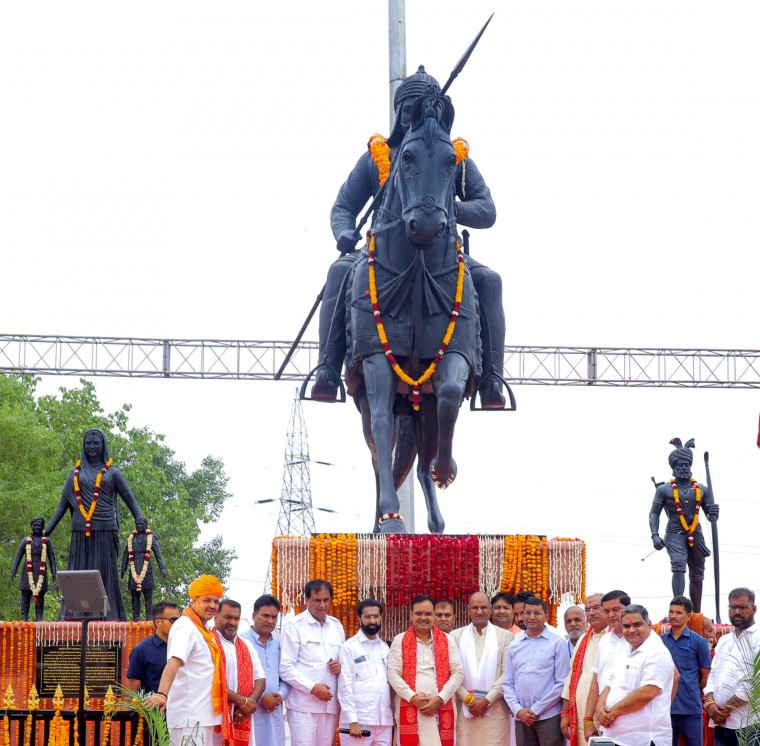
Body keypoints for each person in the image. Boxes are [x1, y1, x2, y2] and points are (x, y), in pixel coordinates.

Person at [311, 64, 507, 410]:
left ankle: (492, 377)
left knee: (489, 281)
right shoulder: (376, 158)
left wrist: (448, 207)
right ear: (399, 110)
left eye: (424, 107)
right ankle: (327, 369)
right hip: (381, 253)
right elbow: (343, 207)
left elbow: (487, 209)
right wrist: (343, 232)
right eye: (408, 107)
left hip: (443, 250)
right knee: (338, 271)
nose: (413, 114)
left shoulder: (453, 157)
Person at [45, 428, 143, 621]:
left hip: (106, 528)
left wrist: (140, 520)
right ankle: (75, 613)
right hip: (80, 530)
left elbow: (130, 499)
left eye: (96, 443)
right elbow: (62, 505)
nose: (92, 447)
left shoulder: (112, 472)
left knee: (104, 573)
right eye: (88, 443)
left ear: (103, 445)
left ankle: (108, 615)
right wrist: (47, 530)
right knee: (79, 573)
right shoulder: (74, 473)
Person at [145, 574, 227, 746]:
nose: (212, 605)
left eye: (216, 601)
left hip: (203, 715)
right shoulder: (185, 626)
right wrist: (162, 694)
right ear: (194, 600)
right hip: (189, 717)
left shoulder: (204, 630)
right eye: (207, 600)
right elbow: (174, 662)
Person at [649, 437, 719, 612]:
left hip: (696, 533)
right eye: (679, 465)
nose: (683, 468)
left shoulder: (702, 489)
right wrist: (655, 535)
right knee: (678, 565)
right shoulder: (664, 489)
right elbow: (654, 513)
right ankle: (678, 609)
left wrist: (714, 512)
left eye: (686, 465)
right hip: (674, 532)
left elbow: (710, 516)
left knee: (697, 574)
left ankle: (696, 613)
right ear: (673, 468)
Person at [388, 594, 464, 746]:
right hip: (411, 705)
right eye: (418, 613)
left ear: (434, 615)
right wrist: (413, 697)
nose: (423, 618)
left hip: (440, 707)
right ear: (411, 615)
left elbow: (458, 672)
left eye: (428, 614)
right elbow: (393, 674)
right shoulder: (400, 640)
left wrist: (440, 698)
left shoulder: (447, 640)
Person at [596, 604, 676, 746]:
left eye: (637, 625)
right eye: (626, 626)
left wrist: (611, 713)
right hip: (617, 738)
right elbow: (610, 683)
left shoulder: (656, 652)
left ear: (649, 625)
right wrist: (600, 707)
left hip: (645, 739)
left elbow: (647, 692)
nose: (631, 630)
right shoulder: (624, 650)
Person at [279, 579, 345, 746]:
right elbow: (285, 668)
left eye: (326, 600)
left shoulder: (336, 626)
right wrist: (313, 688)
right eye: (317, 600)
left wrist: (340, 666)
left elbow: (344, 661)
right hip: (303, 706)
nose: (322, 605)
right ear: (307, 599)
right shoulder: (295, 626)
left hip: (329, 706)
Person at [503, 596, 570, 746]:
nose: (531, 617)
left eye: (537, 613)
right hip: (522, 717)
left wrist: (535, 710)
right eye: (527, 613)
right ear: (522, 615)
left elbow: (562, 683)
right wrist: (518, 709)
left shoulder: (557, 643)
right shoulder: (515, 645)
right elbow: (507, 683)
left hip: (548, 716)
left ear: (546, 616)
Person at [451, 592, 513, 745]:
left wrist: (486, 701)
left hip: (496, 710)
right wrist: (468, 700)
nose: (479, 612)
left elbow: (507, 674)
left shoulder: (505, 636)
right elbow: (451, 673)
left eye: (483, 607)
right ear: (468, 610)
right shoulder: (455, 636)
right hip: (464, 708)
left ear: (490, 609)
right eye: (475, 608)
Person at [705, 587, 760, 746]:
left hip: (749, 725)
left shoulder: (758, 638)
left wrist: (725, 709)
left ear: (754, 609)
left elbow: (755, 684)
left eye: (742, 607)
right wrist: (710, 703)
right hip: (721, 724)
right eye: (732, 607)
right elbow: (713, 675)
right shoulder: (724, 641)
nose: (736, 612)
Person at [337, 599, 394, 745]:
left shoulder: (385, 648)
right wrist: (353, 720)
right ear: (359, 619)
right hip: (359, 721)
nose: (372, 621)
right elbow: (345, 686)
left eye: (376, 616)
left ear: (381, 617)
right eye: (368, 617)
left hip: (384, 722)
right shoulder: (349, 647)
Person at [212, 600, 266, 746]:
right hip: (215, 715)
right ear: (216, 617)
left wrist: (247, 706)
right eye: (227, 617)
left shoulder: (247, 645)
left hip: (242, 716)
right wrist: (243, 702)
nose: (232, 622)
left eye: (236, 618)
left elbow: (260, 678)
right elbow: (210, 682)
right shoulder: (209, 643)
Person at [240, 594, 289, 746]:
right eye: (265, 616)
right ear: (254, 615)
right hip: (248, 711)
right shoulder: (240, 641)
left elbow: (286, 677)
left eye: (274, 617)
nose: (270, 621)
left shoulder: (280, 645)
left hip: (274, 712)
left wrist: (279, 696)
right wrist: (260, 698)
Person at [662, 595, 712, 746]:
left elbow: (706, 676)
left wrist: (695, 692)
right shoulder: (660, 641)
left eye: (678, 612)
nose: (673, 616)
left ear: (688, 616)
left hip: (691, 708)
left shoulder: (699, 642)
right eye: (671, 612)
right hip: (665, 708)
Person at [560, 593, 608, 746]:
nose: (591, 613)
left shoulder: (616, 638)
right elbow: (571, 677)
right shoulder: (583, 639)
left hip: (606, 714)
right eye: (588, 610)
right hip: (580, 715)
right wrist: (565, 713)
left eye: (596, 608)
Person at [583, 589, 631, 743]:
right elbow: (595, 682)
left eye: (616, 610)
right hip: (604, 721)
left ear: (628, 609)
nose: (610, 615)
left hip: (633, 723)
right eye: (606, 611)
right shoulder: (604, 641)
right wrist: (588, 721)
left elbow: (672, 677)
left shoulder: (642, 639)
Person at [126, 602, 181, 693]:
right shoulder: (141, 650)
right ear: (158, 622)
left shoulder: (182, 646)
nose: (177, 624)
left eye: (179, 621)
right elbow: (133, 691)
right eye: (173, 620)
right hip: (154, 701)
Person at [11, 517, 57, 621]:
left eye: (39, 525)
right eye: (34, 525)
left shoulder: (46, 541)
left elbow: (51, 557)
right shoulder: (26, 540)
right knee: (25, 594)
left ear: (43, 527)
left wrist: (54, 572)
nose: (37, 527)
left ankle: (39, 618)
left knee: (40, 596)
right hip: (28, 570)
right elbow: (18, 555)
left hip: (41, 570)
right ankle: (24, 618)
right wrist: (14, 570)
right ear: (31, 526)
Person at [121, 517, 167, 621]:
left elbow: (158, 553)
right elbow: (126, 555)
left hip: (147, 567)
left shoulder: (150, 537)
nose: (139, 526)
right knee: (134, 596)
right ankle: (136, 618)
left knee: (148, 595)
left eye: (141, 524)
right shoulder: (132, 538)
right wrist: (123, 569)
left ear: (146, 525)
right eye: (137, 524)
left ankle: (149, 618)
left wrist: (162, 568)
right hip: (134, 566)